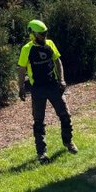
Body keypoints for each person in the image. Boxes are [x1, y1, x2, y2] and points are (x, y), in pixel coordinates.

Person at [17, 19, 76, 164]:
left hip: (53, 86)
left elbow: (58, 61)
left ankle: (68, 142)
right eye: (41, 34)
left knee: (65, 115)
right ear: (32, 34)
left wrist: (61, 80)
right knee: (39, 121)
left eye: (45, 33)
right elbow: (21, 69)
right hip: (37, 89)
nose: (44, 36)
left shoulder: (49, 44)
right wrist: (21, 88)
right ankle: (41, 153)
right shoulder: (26, 49)